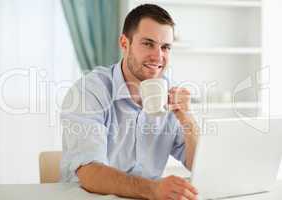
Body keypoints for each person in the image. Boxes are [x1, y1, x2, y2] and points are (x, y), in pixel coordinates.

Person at [60, 4, 199, 200]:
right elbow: (89, 172)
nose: (158, 56)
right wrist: (154, 189)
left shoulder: (171, 95)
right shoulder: (90, 91)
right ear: (124, 44)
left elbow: (199, 164)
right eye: (148, 44)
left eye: (165, 47)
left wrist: (187, 119)